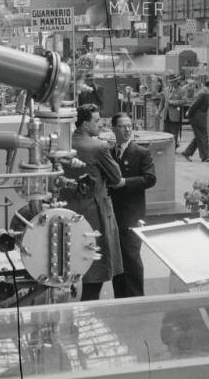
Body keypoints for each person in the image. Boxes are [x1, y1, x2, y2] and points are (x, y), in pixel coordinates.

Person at [59, 104, 125, 301]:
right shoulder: (99, 146)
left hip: (66, 212)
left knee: (66, 261)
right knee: (95, 268)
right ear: (85, 123)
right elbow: (115, 177)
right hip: (94, 215)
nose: (100, 124)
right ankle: (89, 309)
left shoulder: (63, 144)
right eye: (96, 121)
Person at [109, 112, 156, 297]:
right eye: (122, 126)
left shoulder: (141, 153)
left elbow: (150, 179)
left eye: (130, 126)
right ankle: (119, 296)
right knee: (117, 255)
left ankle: (136, 297)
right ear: (114, 129)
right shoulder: (110, 152)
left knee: (131, 255)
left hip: (132, 213)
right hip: (113, 212)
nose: (127, 129)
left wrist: (125, 183)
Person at [181, 78, 209, 162]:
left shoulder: (205, 92)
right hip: (197, 118)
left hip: (200, 117)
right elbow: (194, 105)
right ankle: (205, 156)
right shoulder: (203, 93)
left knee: (199, 137)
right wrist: (189, 113)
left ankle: (187, 152)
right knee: (202, 137)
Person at [157, 76, 185, 149]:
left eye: (174, 81)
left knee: (174, 133)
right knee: (165, 132)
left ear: (176, 82)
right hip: (166, 115)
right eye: (171, 81)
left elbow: (184, 101)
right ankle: (166, 148)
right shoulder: (165, 90)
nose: (172, 83)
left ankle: (173, 149)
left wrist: (173, 102)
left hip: (175, 115)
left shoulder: (181, 90)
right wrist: (159, 111)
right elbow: (162, 102)